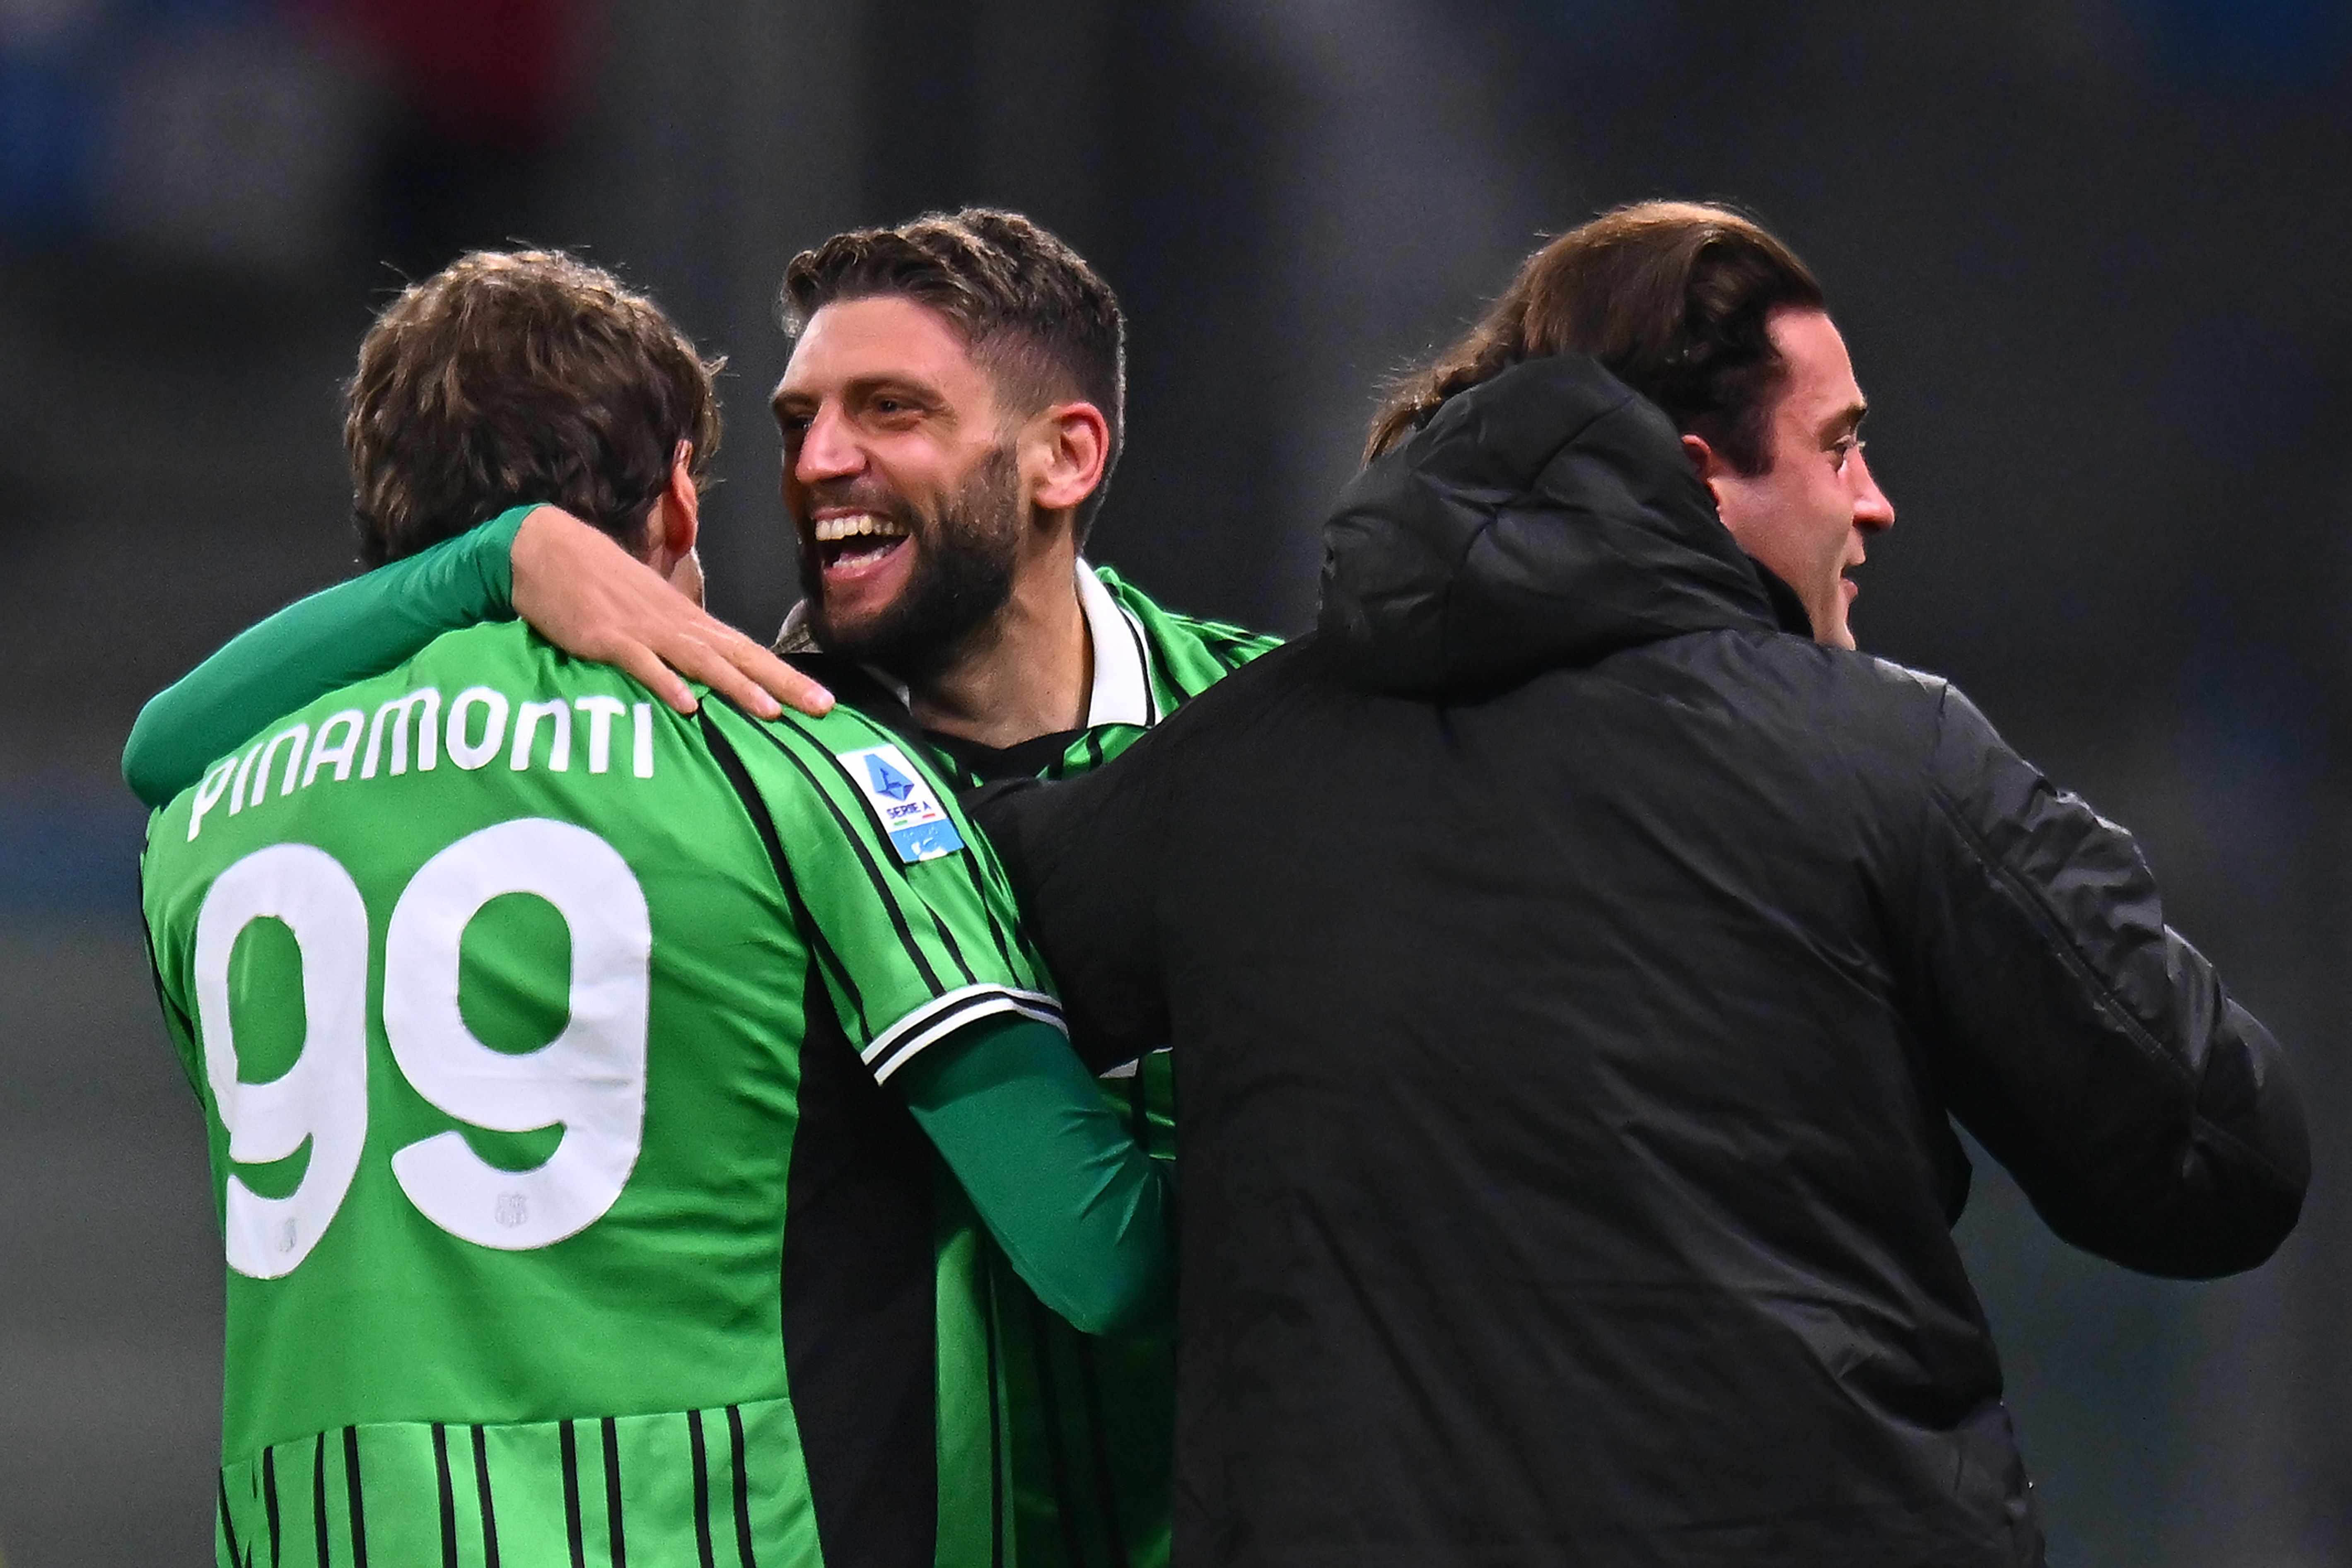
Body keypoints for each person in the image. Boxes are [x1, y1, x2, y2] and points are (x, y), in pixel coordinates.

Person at [967, 202, 2311, 1566]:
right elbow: (2217, 1157)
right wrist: (2065, 862)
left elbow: (942, 925)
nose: (1874, 498)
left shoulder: (1233, 770)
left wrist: (787, 714)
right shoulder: (1885, 757)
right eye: (1839, 446)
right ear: (1697, 474)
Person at [125, 210, 1275, 1568]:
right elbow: (1105, 1252)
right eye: (795, 425)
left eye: (888, 408)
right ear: (678, 495)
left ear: (1065, 454)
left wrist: (485, 565)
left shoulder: (207, 818)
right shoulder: (795, 760)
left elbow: (156, 744)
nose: (821, 463)